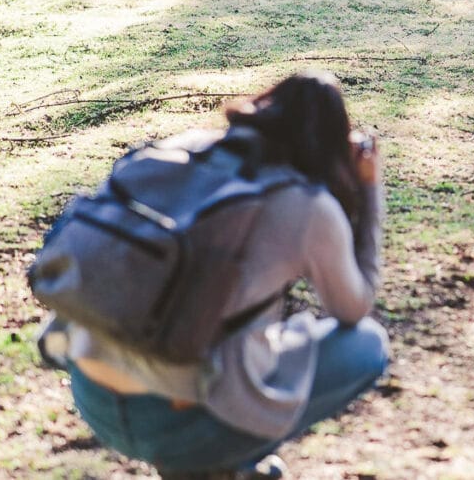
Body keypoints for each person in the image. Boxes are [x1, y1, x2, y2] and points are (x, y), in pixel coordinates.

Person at [40, 71, 388, 479]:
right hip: (176, 424)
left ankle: (217, 465)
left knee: (243, 333)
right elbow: (354, 306)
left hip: (90, 395)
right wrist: (369, 188)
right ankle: (215, 462)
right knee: (367, 346)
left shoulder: (178, 149)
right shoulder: (308, 205)